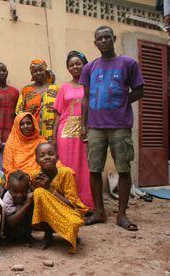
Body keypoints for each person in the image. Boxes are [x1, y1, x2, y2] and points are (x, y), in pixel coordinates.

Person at [80, 26, 144, 231]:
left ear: (114, 39)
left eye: (108, 37)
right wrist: (83, 124)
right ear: (95, 43)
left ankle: (122, 215)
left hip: (120, 126)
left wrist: (121, 104)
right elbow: (86, 98)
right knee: (94, 169)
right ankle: (99, 212)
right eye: (100, 38)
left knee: (123, 169)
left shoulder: (128, 63)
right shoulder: (89, 68)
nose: (104, 40)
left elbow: (139, 90)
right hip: (95, 127)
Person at [52, 51, 94, 209]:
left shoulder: (91, 85)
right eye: (71, 65)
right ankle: (66, 204)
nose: (75, 67)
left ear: (84, 64)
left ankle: (86, 205)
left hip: (85, 131)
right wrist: (54, 138)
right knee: (66, 168)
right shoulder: (63, 87)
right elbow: (58, 113)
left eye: (78, 63)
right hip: (65, 132)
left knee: (85, 168)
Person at [30, 143, 88, 253]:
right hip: (47, 212)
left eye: (51, 154)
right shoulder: (35, 176)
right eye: (42, 155)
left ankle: (70, 235)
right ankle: (48, 235)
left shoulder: (66, 173)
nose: (47, 157)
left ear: (57, 158)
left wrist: (50, 189)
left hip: (66, 210)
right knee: (38, 192)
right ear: (37, 161)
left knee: (74, 223)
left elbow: (72, 204)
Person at [16, 60, 59, 141]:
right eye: (35, 71)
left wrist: (55, 137)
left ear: (45, 71)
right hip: (32, 135)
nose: (38, 73)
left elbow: (60, 111)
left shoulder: (56, 88)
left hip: (52, 134)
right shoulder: (26, 90)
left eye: (40, 70)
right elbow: (19, 112)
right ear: (31, 74)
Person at [3, 112, 47, 179]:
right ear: (17, 126)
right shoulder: (11, 143)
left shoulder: (41, 142)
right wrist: (22, 177)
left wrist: (32, 176)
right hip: (17, 179)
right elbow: (8, 167)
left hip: (39, 178)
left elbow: (47, 163)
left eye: (28, 123)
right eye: (22, 124)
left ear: (33, 125)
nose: (25, 126)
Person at [2, 170, 33, 243]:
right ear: (8, 188)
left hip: (24, 222)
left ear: (28, 188)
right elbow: (10, 222)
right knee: (22, 209)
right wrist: (26, 205)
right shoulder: (7, 197)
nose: (19, 195)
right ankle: (12, 238)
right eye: (15, 192)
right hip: (9, 227)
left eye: (23, 191)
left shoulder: (30, 193)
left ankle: (27, 236)